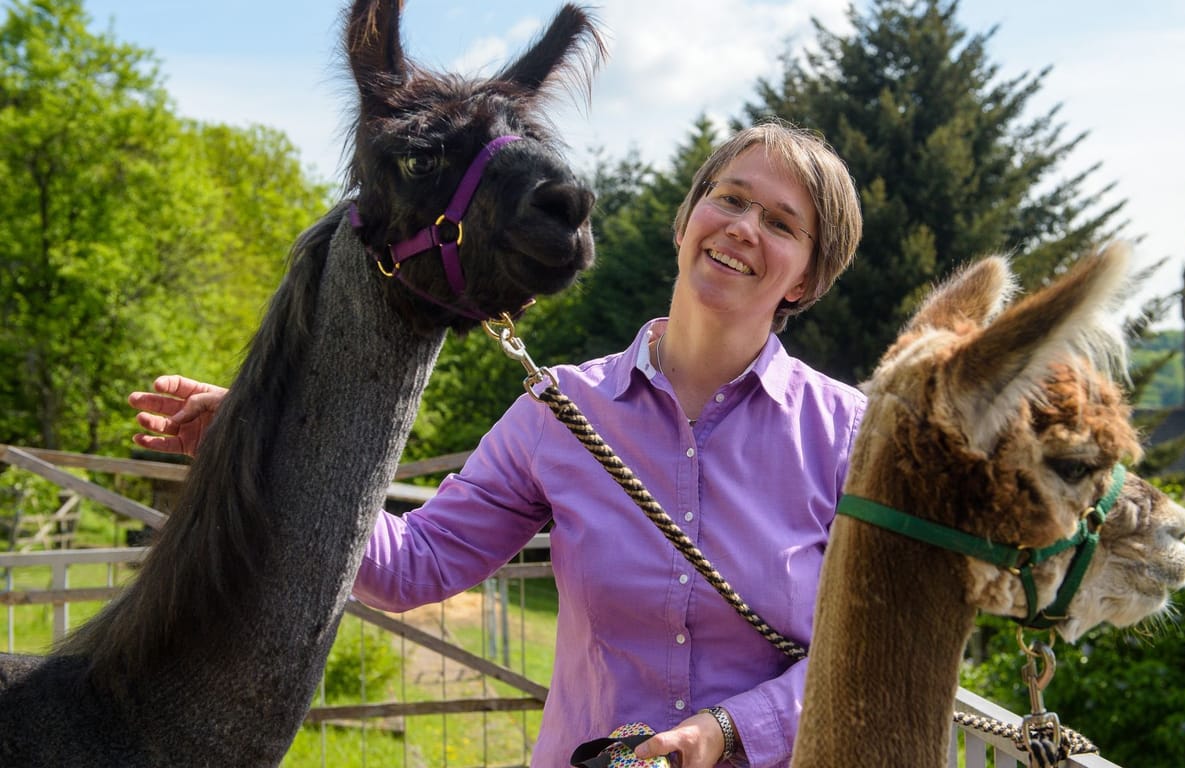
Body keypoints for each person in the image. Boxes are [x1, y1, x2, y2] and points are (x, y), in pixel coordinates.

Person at [129, 120, 865, 768]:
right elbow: (413, 565)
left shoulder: (849, 438)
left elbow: (866, 657)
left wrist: (728, 732)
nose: (742, 227)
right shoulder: (561, 411)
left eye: (781, 223)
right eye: (730, 198)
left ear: (807, 277)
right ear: (687, 220)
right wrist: (265, 447)